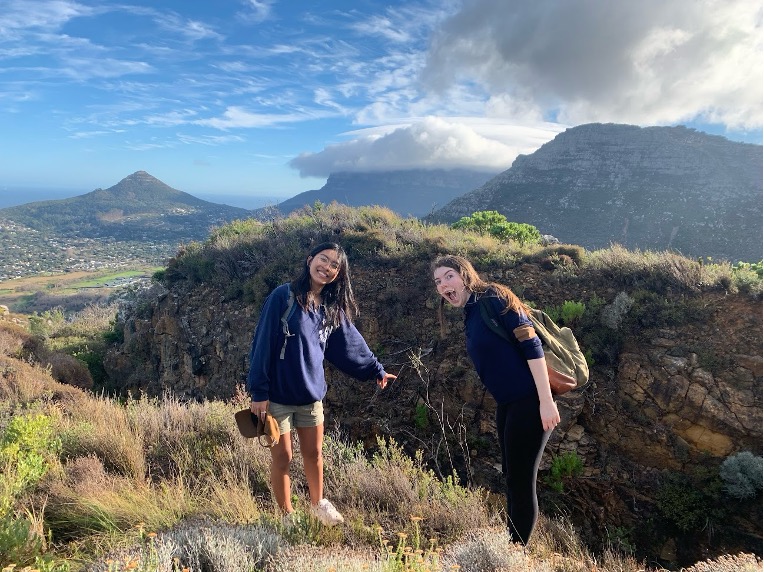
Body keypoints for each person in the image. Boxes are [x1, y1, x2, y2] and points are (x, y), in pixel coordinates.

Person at [247, 242, 396, 526]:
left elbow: (350, 344)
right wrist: (259, 392)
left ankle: (319, 505)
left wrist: (376, 370)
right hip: (276, 397)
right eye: (323, 260)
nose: (326, 268)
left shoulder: (331, 308)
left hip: (311, 396)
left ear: (339, 274)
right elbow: (262, 343)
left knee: (314, 454)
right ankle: (286, 516)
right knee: (283, 457)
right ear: (309, 259)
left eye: (334, 265)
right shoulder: (284, 296)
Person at [431, 254, 560, 545]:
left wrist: (545, 400)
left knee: (521, 482)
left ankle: (515, 552)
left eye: (448, 276)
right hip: (509, 404)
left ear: (464, 274)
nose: (443, 285)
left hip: (530, 401)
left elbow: (531, 344)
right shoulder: (471, 312)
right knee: (512, 480)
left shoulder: (493, 297)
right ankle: (512, 544)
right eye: (438, 281)